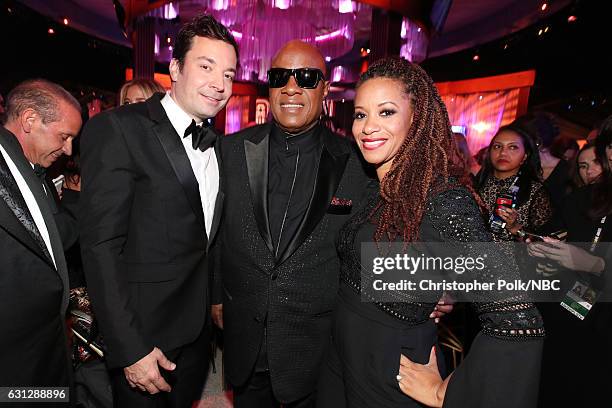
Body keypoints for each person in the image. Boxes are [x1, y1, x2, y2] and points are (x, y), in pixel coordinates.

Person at [212, 42, 450, 407]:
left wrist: (442, 287)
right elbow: (214, 235)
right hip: (245, 340)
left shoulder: (360, 162)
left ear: (325, 90)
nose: (292, 88)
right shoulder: (229, 151)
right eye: (279, 77)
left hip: (318, 352)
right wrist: (215, 297)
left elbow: (400, 231)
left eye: (306, 78)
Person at [318, 57, 544, 408]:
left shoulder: (444, 200)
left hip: (390, 373)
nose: (367, 127)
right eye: (361, 114)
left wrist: (449, 393)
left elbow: (517, 321)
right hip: (341, 361)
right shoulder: (371, 187)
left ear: (418, 118)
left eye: (387, 112)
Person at [79, 15, 237, 407]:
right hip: (144, 341)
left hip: (197, 340)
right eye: (206, 67)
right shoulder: (119, 129)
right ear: (176, 68)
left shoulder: (220, 146)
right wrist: (130, 349)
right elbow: (101, 247)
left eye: (229, 74)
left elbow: (206, 241)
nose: (220, 84)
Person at [0, 79, 82, 389]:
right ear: (30, 120)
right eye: (64, 136)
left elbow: (56, 234)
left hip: (41, 349)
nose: (68, 149)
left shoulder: (36, 174)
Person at [528, 118, 612, 407]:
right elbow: (556, 232)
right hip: (580, 306)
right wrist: (548, 254)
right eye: (610, 146)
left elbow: (593, 260)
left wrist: (596, 265)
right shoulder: (585, 198)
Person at [477, 122, 553, 241]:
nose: (503, 153)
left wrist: (515, 227)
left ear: (525, 156)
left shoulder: (535, 192)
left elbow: (545, 241)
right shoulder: (474, 184)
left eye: (513, 147)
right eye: (497, 146)